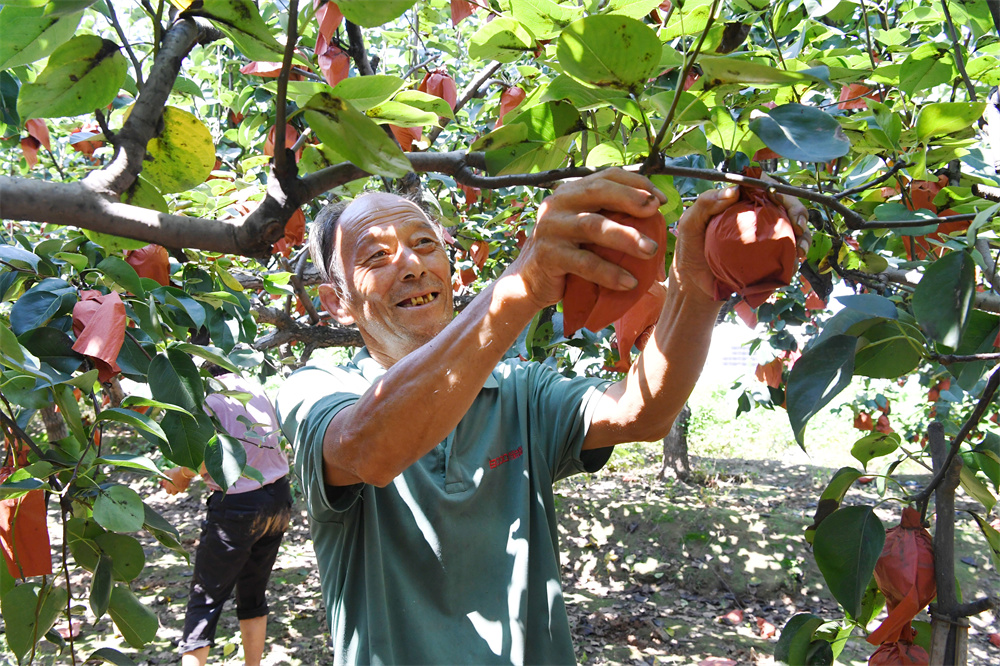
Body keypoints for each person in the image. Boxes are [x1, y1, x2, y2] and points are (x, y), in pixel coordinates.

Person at [276, 168, 808, 664]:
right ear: (337, 302)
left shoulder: (519, 390)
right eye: (376, 256)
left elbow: (642, 412)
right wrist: (522, 285)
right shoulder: (318, 390)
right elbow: (367, 448)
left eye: (425, 244)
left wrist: (697, 279)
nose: (413, 266)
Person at [161, 372, 292, 666]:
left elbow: (202, 458)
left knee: (204, 600)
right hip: (278, 499)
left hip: (238, 507)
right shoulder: (251, 386)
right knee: (253, 596)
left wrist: (180, 474)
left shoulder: (207, 398)